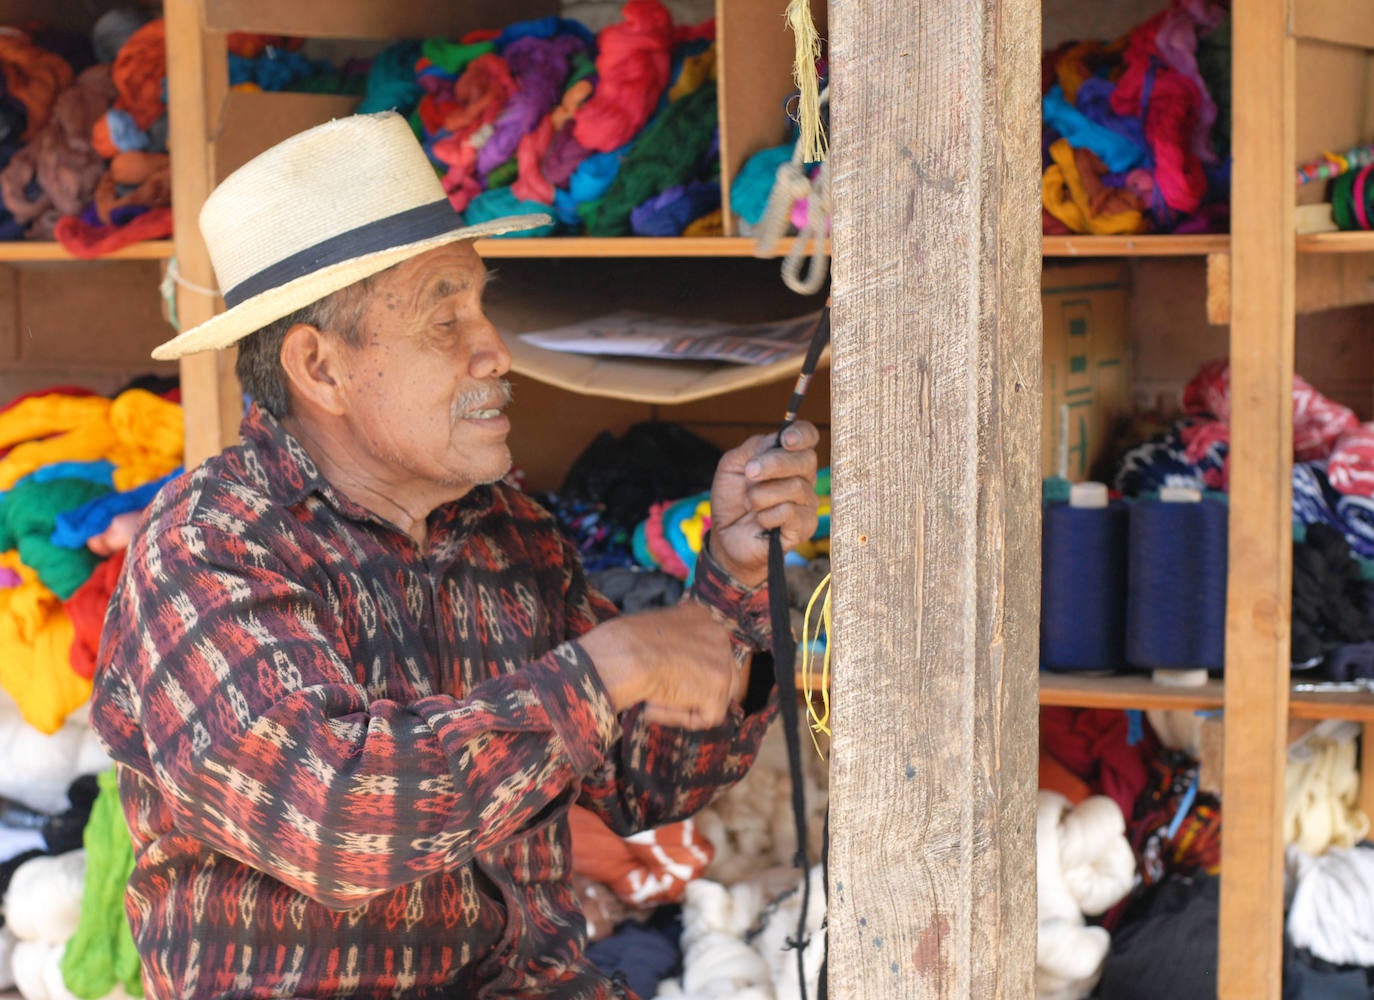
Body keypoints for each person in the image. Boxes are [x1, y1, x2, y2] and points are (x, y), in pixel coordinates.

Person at [90, 111, 820, 999]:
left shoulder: (509, 531)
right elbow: (334, 820)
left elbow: (647, 786)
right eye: (447, 321)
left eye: (483, 304)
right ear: (321, 369)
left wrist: (732, 585)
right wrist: (608, 665)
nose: (495, 351)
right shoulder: (208, 549)